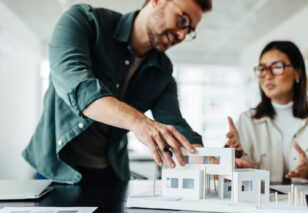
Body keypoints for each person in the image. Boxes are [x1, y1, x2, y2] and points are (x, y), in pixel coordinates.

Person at [22, 0, 212, 184]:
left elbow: (175, 125)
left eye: (189, 31)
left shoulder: (162, 71)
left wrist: (213, 164)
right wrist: (140, 123)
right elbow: (79, 88)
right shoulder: (83, 21)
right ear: (156, 1)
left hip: (110, 175)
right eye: (183, 21)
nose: (181, 35)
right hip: (56, 169)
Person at [226, 41, 308, 185]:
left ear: (297, 72)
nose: (268, 75)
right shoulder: (246, 121)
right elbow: (227, 174)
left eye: (277, 67)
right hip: (262, 204)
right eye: (262, 69)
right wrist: (232, 153)